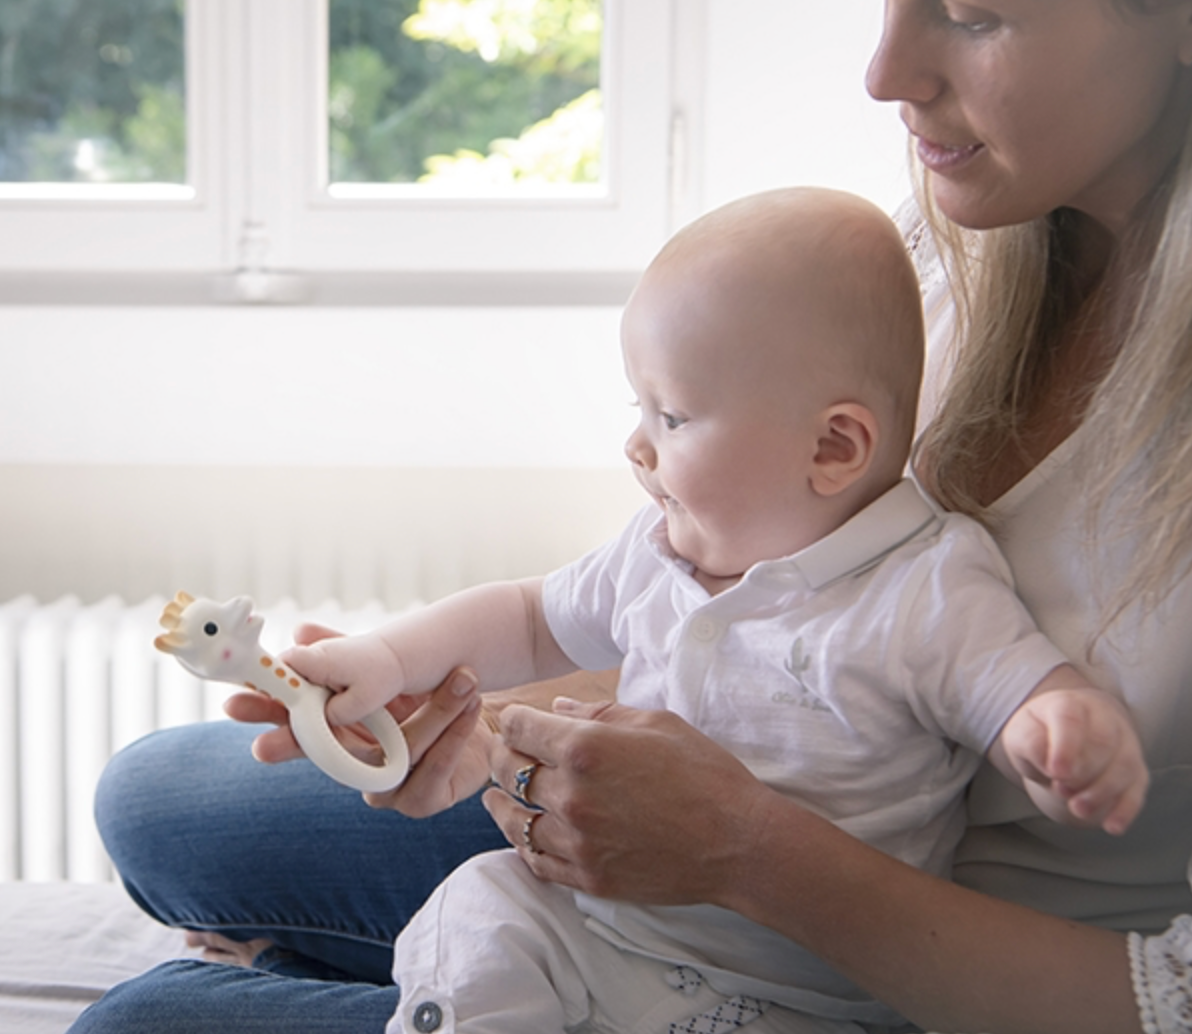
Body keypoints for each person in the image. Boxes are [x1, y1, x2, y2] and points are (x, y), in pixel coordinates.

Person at [69, 1, 1192, 1032]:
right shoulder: (937, 256)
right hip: (687, 871)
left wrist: (744, 849)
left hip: (866, 968)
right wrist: (462, 713)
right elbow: (690, 620)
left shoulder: (936, 580)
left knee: (144, 1021)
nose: (884, 72)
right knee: (155, 799)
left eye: (975, 14)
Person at [262, 186, 1143, 1034]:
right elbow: (529, 618)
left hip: (796, 993)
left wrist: (1054, 731)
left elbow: (1011, 686)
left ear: (834, 446)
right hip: (605, 929)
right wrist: (387, 660)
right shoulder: (659, 551)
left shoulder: (923, 584)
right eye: (639, 408)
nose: (635, 446)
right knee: (480, 904)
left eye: (673, 417)